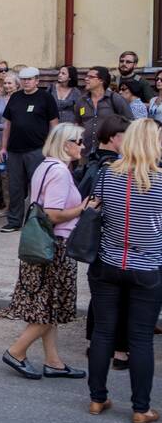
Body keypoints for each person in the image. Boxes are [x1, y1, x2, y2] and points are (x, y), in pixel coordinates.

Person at [2, 123, 92, 381]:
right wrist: (82, 209)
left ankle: (53, 361)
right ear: (66, 144)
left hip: (41, 245)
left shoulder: (45, 165)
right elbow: (52, 214)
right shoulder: (61, 172)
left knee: (48, 308)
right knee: (49, 309)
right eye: (79, 141)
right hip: (55, 246)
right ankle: (16, 351)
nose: (83, 146)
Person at [87, 119, 162, 423]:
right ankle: (141, 408)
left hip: (108, 262)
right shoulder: (159, 181)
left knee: (104, 331)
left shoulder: (107, 175)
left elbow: (93, 211)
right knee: (141, 338)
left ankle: (97, 398)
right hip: (147, 267)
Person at [78, 115, 130, 369]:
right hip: (108, 238)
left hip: (96, 239)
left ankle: (94, 343)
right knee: (119, 298)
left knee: (100, 295)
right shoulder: (111, 167)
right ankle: (119, 351)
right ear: (114, 137)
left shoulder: (94, 161)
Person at [0, 67, 59, 233]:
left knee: (39, 187)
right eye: (24, 79)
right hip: (15, 150)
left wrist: (53, 147)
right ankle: (14, 221)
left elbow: (54, 124)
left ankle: (38, 221)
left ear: (37, 81)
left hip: (37, 149)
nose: (26, 82)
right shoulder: (16, 97)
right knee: (15, 186)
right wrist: (3, 147)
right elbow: (7, 124)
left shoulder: (46, 98)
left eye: (30, 79)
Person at [75, 66, 134, 155]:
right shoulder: (81, 101)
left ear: (101, 80)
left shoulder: (115, 99)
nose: (86, 79)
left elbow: (130, 123)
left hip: (109, 153)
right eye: (86, 76)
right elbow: (77, 124)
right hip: (84, 152)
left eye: (90, 77)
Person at [0, 71, 20, 217]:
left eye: (10, 83)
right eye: (5, 83)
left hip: (19, 140)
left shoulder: (21, 99)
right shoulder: (0, 100)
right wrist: (6, 127)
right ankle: (7, 206)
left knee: (19, 175)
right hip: (1, 142)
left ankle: (19, 208)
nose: (7, 86)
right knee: (4, 174)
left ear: (17, 85)